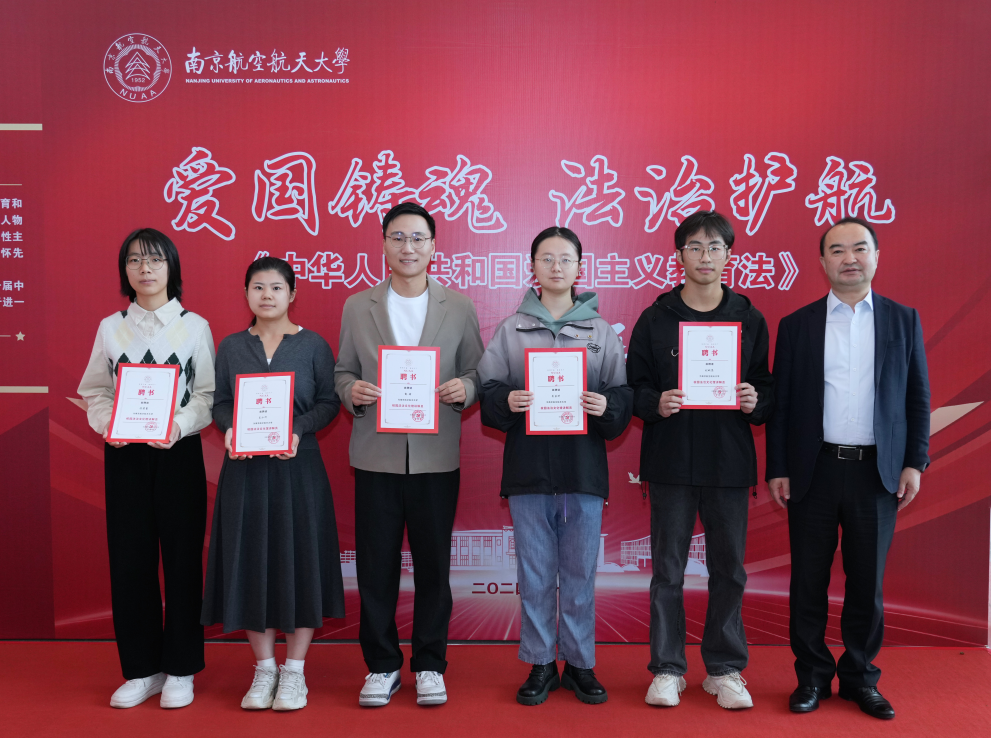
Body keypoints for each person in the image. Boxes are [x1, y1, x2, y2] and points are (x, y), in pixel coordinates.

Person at [766, 217, 930, 720]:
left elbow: (917, 397)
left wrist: (914, 462)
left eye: (859, 248)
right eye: (837, 250)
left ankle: (860, 678)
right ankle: (812, 677)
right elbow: (782, 404)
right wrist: (778, 467)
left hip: (876, 473)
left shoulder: (903, 320)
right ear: (823, 262)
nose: (849, 258)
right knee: (807, 583)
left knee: (866, 585)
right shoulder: (798, 325)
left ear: (876, 256)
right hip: (813, 470)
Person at [334, 202, 485, 707]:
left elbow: (477, 371)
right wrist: (351, 390)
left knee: (433, 567)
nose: (408, 247)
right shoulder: (358, 306)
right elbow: (342, 371)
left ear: (433, 246)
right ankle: (381, 665)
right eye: (398, 237)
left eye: (418, 238)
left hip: (435, 457)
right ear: (383, 244)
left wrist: (464, 389)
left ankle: (429, 664)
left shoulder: (457, 307)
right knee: (376, 567)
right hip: (375, 455)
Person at [477, 226, 632, 706]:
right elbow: (487, 388)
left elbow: (622, 392)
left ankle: (580, 664)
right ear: (533, 267)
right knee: (536, 573)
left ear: (579, 268)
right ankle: (541, 662)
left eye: (566, 258)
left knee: (581, 573)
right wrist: (508, 399)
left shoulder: (600, 331)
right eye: (547, 258)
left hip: (583, 470)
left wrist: (606, 405)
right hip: (529, 471)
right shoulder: (512, 328)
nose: (556, 266)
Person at [626, 210, 773, 710]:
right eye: (694, 247)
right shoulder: (656, 318)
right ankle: (668, 668)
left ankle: (724, 669)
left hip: (729, 464)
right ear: (679, 255)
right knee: (667, 570)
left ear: (729, 255)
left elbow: (767, 386)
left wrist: (756, 400)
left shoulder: (749, 319)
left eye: (714, 247)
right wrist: (656, 402)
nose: (704, 256)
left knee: (728, 570)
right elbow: (634, 387)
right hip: (670, 461)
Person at [78, 228, 216, 709]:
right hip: (126, 455)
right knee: (130, 561)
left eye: (156, 260)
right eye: (135, 260)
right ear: (125, 270)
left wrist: (177, 425)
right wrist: (107, 423)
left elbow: (207, 396)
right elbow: (95, 390)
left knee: (182, 560)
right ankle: (142, 669)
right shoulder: (110, 327)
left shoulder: (195, 326)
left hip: (178, 452)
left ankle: (180, 667)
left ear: (171, 268)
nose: (145, 268)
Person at [201, 257, 345, 712]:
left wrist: (298, 429)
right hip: (245, 473)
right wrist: (229, 427)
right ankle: (264, 669)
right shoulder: (231, 347)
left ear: (292, 294)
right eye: (258, 287)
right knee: (250, 563)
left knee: (300, 563)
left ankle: (294, 672)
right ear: (246, 293)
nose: (267, 295)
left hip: (298, 471)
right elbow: (221, 402)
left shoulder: (314, 345)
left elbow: (329, 403)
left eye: (277, 287)